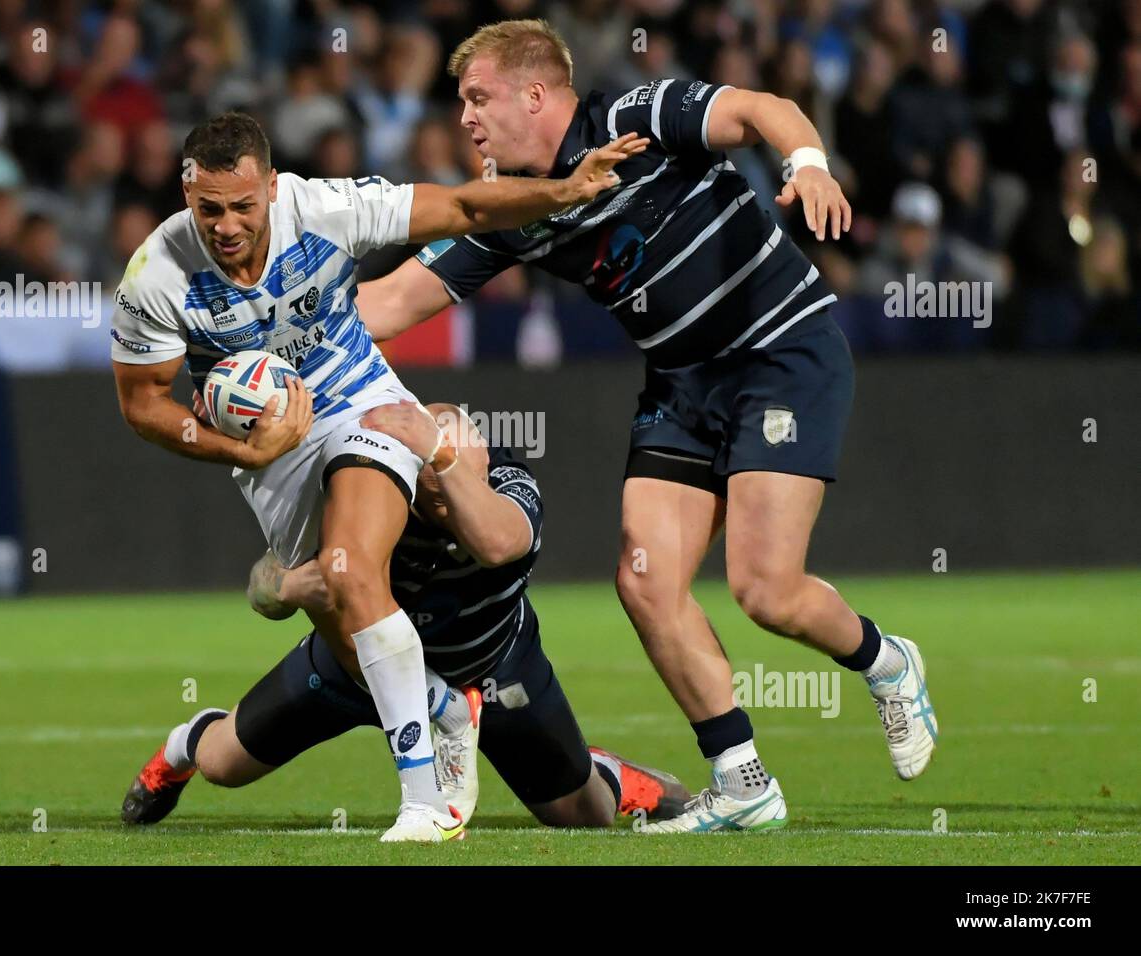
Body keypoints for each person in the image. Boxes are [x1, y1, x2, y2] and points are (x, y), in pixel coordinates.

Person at [354, 19, 938, 834]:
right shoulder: (514, 206)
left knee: (766, 591)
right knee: (643, 579)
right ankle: (742, 780)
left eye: (478, 97)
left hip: (779, 352)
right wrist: (272, 322)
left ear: (536, 93)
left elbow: (763, 109)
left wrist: (807, 164)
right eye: (461, 102)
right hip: (681, 384)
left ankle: (886, 660)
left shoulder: (638, 114)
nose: (466, 118)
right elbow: (388, 303)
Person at [109, 110, 645, 842]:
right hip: (273, 449)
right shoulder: (157, 274)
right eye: (209, 209)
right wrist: (245, 452)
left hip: (364, 404)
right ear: (185, 194)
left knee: (351, 566)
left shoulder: (326, 210)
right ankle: (431, 707)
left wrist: (559, 193)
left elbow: (458, 206)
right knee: (333, 615)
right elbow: (143, 405)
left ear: (273, 185)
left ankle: (425, 802)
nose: (227, 225)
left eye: (243, 205)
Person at [121, 403, 690, 831]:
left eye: (459, 473)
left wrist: (443, 458)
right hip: (356, 670)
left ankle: (608, 773)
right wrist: (291, 585)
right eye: (433, 482)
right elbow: (259, 589)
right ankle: (178, 749)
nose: (446, 495)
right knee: (222, 765)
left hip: (490, 665)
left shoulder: (509, 488)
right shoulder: (368, 498)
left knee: (581, 818)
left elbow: (500, 542)